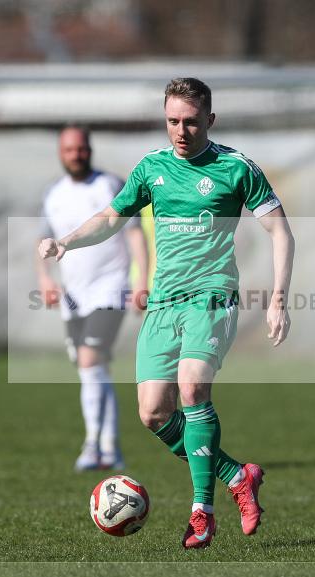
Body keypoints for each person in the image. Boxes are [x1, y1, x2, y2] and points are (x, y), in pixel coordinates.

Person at [38, 78, 294, 549]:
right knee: (154, 412)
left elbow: (281, 232)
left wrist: (279, 296)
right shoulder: (151, 170)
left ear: (210, 121)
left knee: (193, 386)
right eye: (173, 121)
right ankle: (237, 475)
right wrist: (66, 242)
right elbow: (111, 220)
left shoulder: (236, 168)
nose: (181, 130)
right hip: (163, 302)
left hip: (212, 295)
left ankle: (202, 512)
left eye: (191, 121)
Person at [36, 125, 149, 472]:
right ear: (60, 153)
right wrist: (44, 278)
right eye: (69, 149)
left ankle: (91, 445)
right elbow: (44, 241)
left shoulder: (109, 185)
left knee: (89, 360)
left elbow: (134, 234)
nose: (76, 155)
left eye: (81, 148)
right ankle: (111, 448)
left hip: (111, 286)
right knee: (93, 369)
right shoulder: (53, 194)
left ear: (90, 149)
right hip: (73, 294)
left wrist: (142, 278)